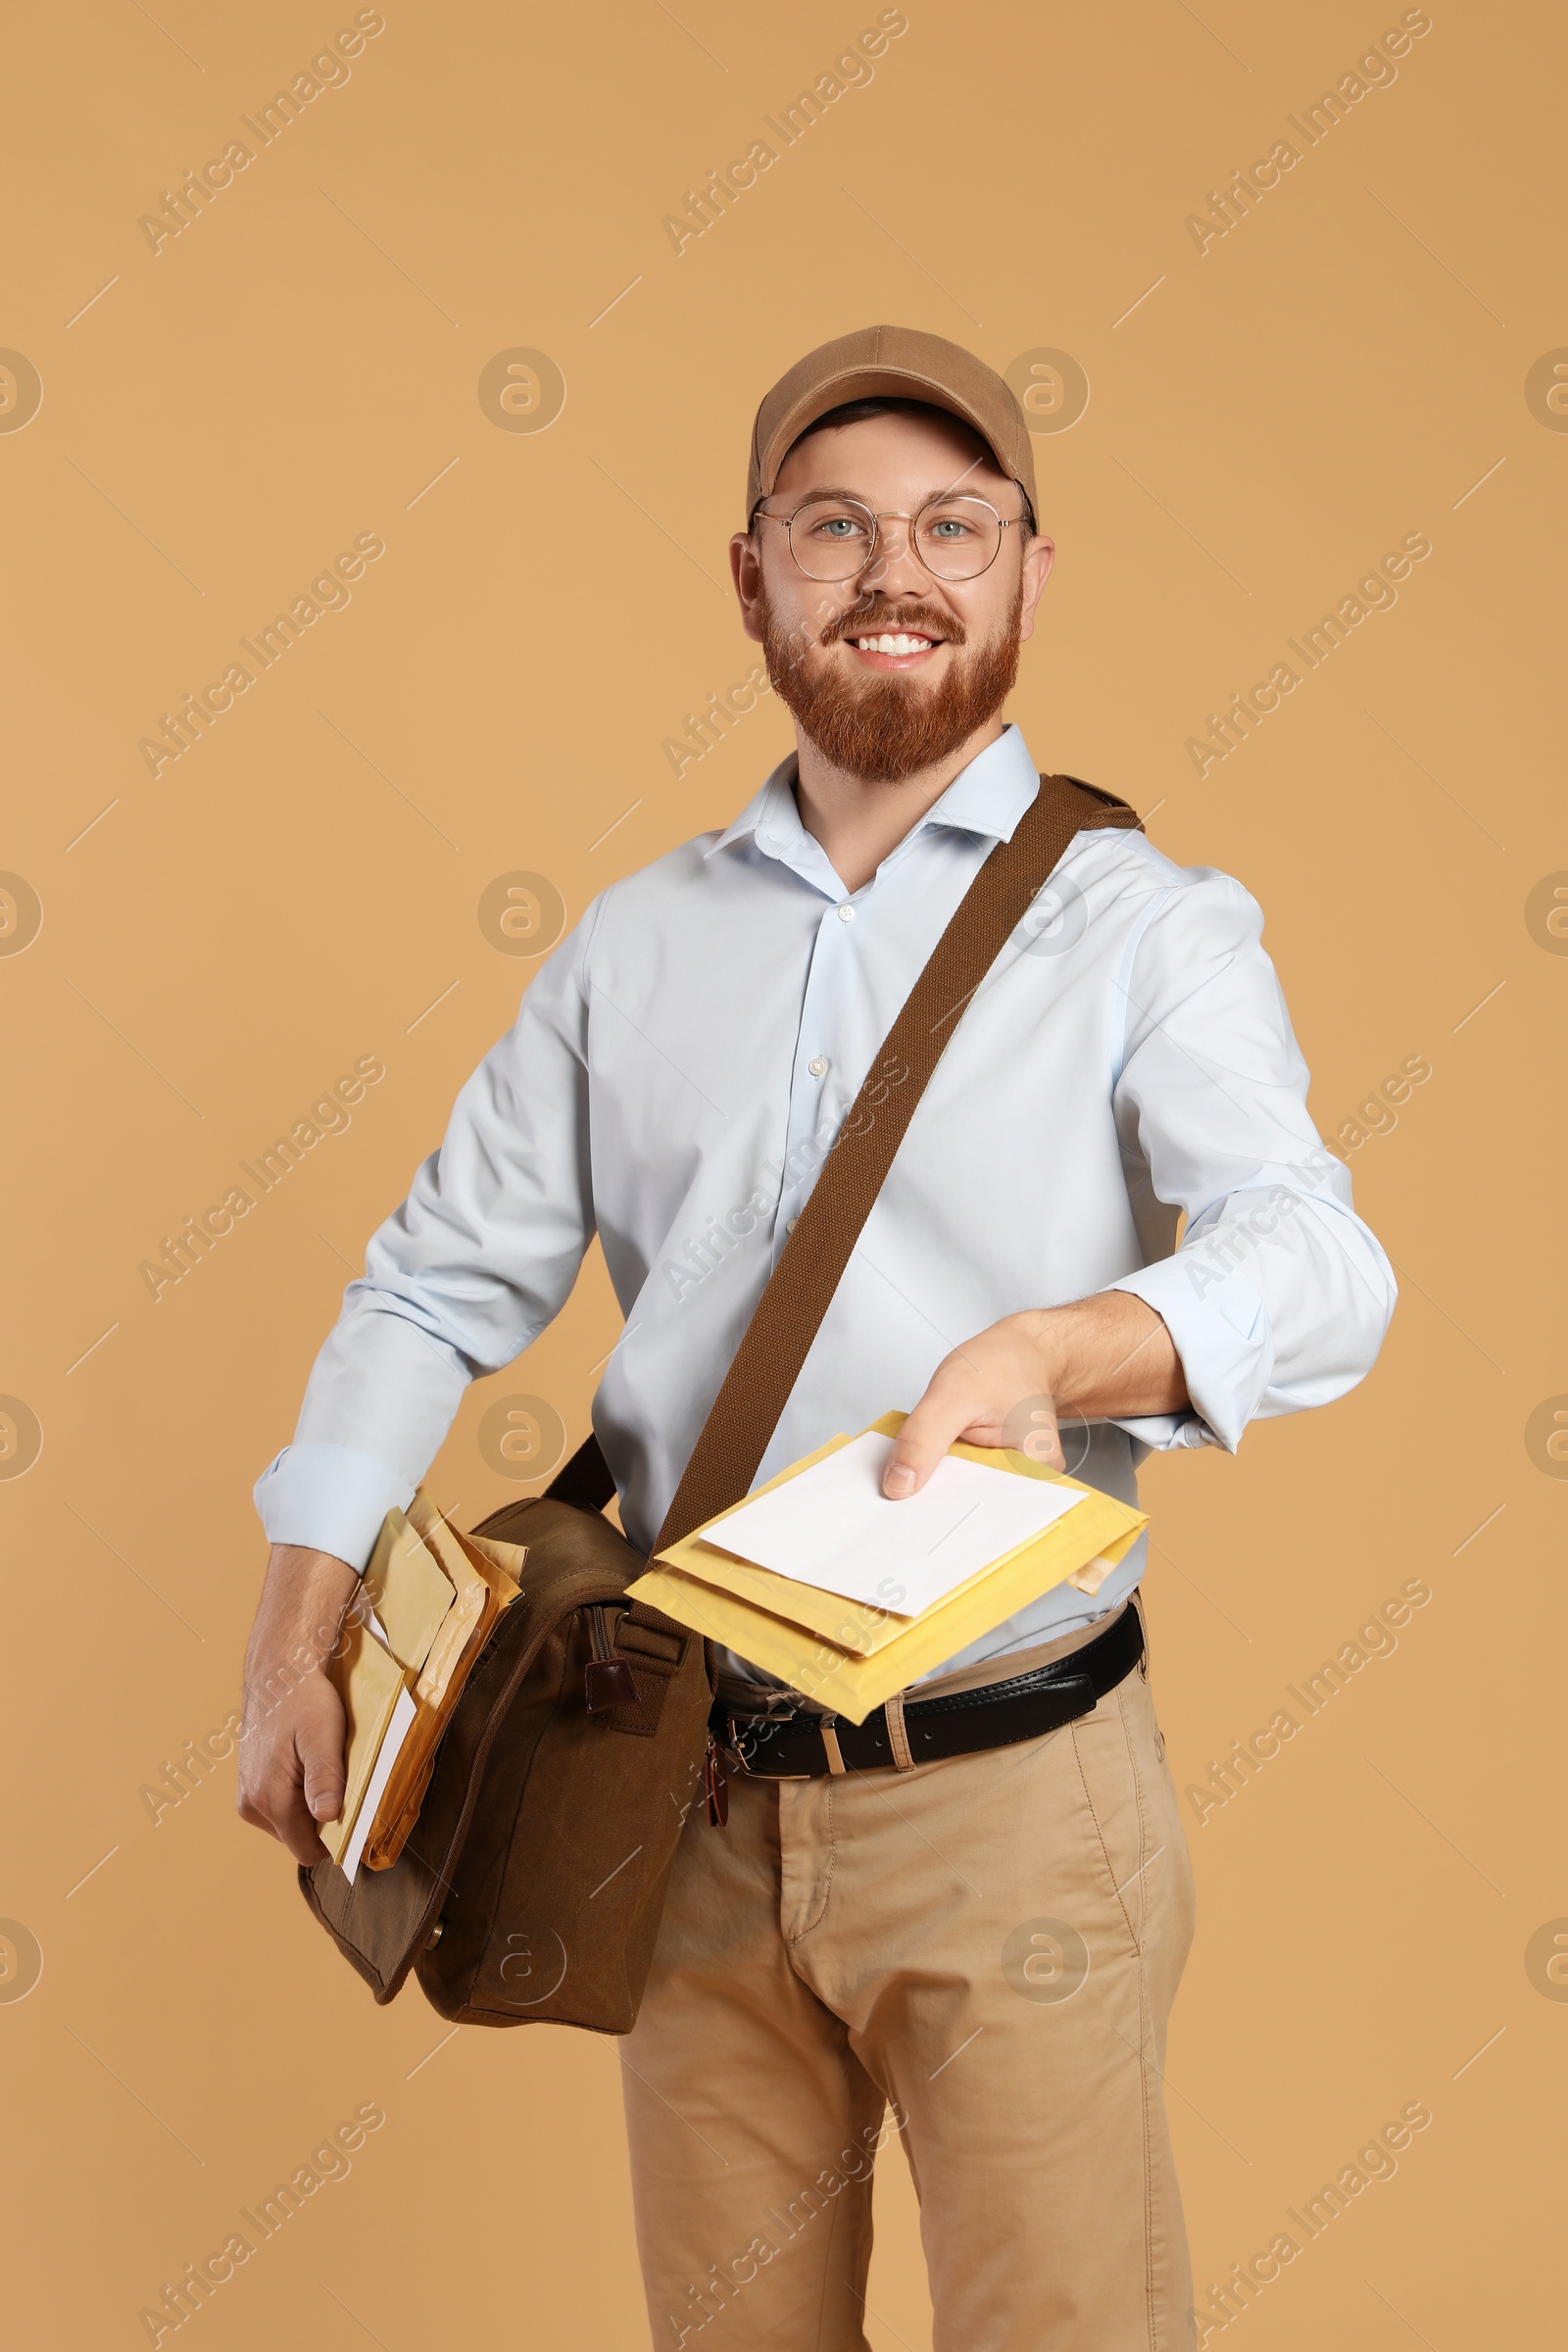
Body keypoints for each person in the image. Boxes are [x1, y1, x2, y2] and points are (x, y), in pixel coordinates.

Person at [238, 324, 1395, 2351]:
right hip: (671, 1790)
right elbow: (431, 1283)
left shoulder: (1147, 929)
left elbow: (1321, 1263)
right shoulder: (632, 945)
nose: (895, 570)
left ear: (1030, 573)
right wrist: (293, 1627)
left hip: (1013, 1800)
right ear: (751, 578)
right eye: (833, 525)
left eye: (953, 525)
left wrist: (1062, 1349)